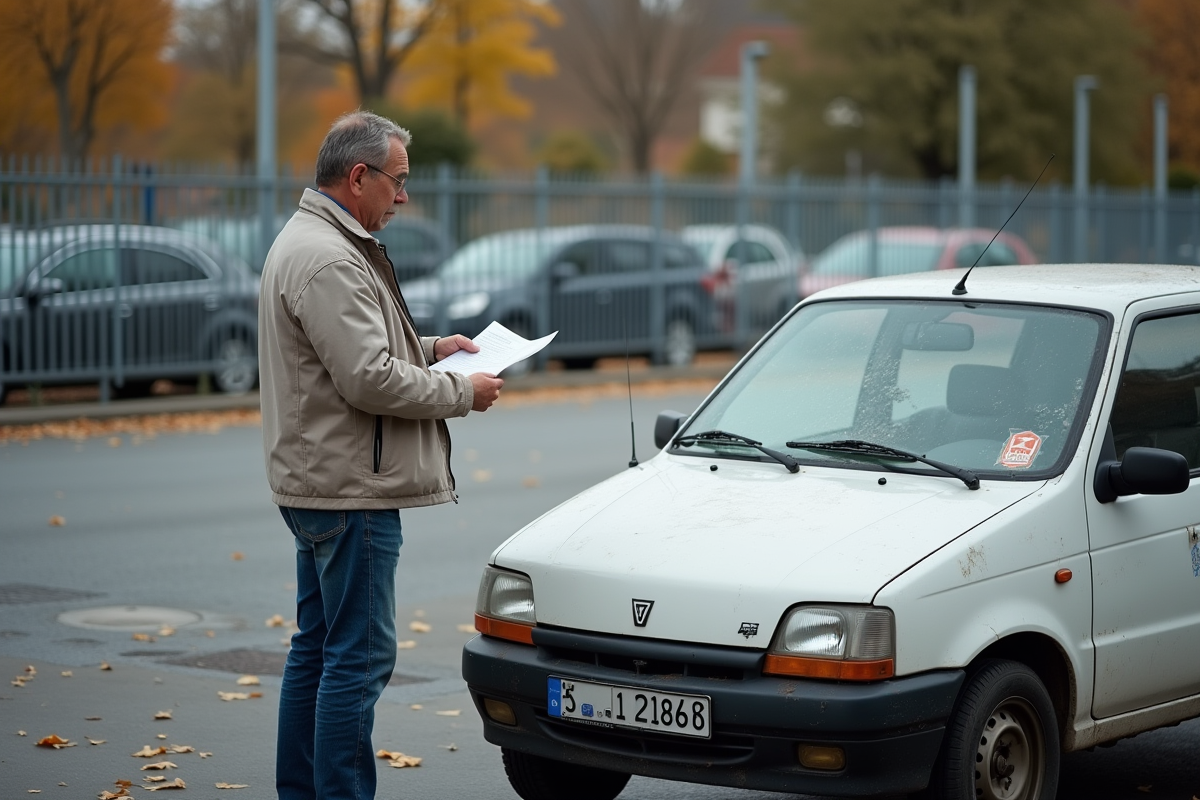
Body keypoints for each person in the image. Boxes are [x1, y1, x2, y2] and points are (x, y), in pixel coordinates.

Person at [258, 109, 503, 800]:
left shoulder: (315, 239)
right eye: (396, 181)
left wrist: (433, 350)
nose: (403, 197)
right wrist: (460, 391)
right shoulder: (331, 255)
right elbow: (366, 378)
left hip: (317, 479)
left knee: (318, 650)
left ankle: (302, 792)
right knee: (357, 660)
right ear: (357, 175)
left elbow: (347, 354)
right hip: (349, 489)